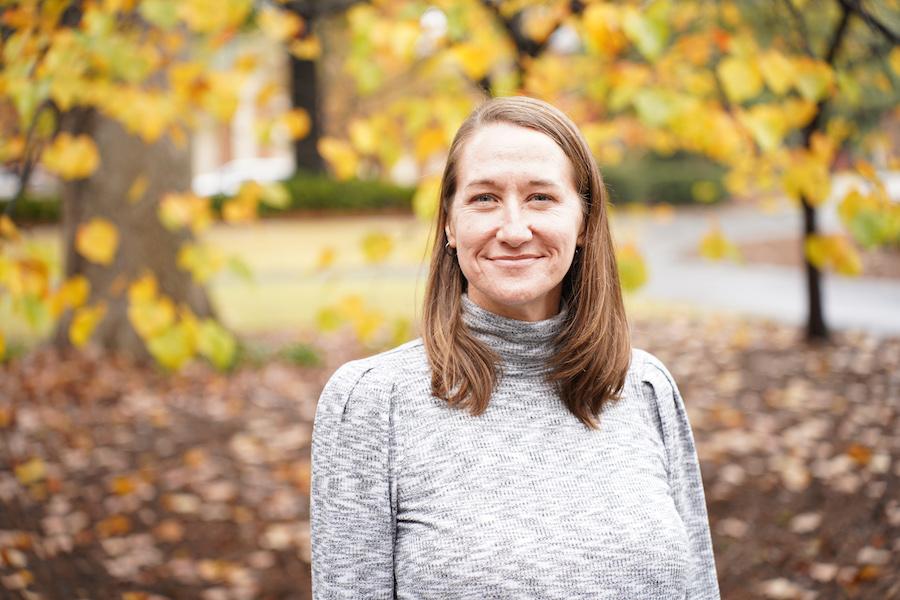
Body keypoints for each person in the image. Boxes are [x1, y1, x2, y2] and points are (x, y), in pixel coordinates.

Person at [310, 96, 720, 599]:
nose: (513, 229)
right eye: (484, 198)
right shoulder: (373, 403)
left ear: (586, 222)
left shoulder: (643, 386)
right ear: (448, 223)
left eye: (541, 198)